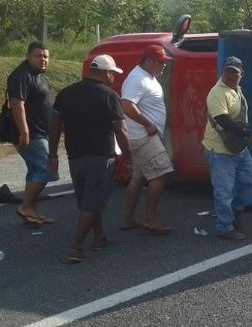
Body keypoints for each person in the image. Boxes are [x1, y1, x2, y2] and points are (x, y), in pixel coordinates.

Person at [48, 55, 131, 263]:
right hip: (101, 155)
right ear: (106, 73)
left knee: (89, 199)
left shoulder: (66, 93)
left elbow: (55, 126)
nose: (114, 77)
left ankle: (99, 237)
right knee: (93, 201)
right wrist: (129, 157)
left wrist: (52, 154)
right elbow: (120, 131)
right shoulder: (109, 96)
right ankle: (76, 246)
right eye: (113, 73)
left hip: (75, 156)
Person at [202, 56, 252, 240]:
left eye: (235, 72)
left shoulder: (236, 90)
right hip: (220, 148)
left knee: (251, 181)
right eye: (228, 71)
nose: (231, 75)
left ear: (241, 74)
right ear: (222, 71)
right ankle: (224, 227)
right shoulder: (217, 92)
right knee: (224, 191)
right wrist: (248, 134)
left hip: (237, 147)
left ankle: (235, 211)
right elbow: (223, 120)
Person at [120, 44, 175, 235]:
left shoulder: (146, 77)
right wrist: (147, 124)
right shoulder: (137, 79)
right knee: (161, 173)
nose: (164, 66)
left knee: (138, 177)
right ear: (149, 61)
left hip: (141, 136)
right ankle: (149, 218)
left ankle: (128, 218)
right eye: (161, 62)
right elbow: (126, 105)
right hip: (144, 136)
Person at [7, 41, 57, 227]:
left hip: (42, 132)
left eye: (45, 56)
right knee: (46, 170)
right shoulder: (21, 75)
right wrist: (24, 131)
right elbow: (16, 103)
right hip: (31, 134)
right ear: (28, 56)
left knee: (36, 170)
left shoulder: (40, 76)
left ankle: (30, 211)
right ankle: (26, 206)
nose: (42, 59)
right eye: (38, 56)